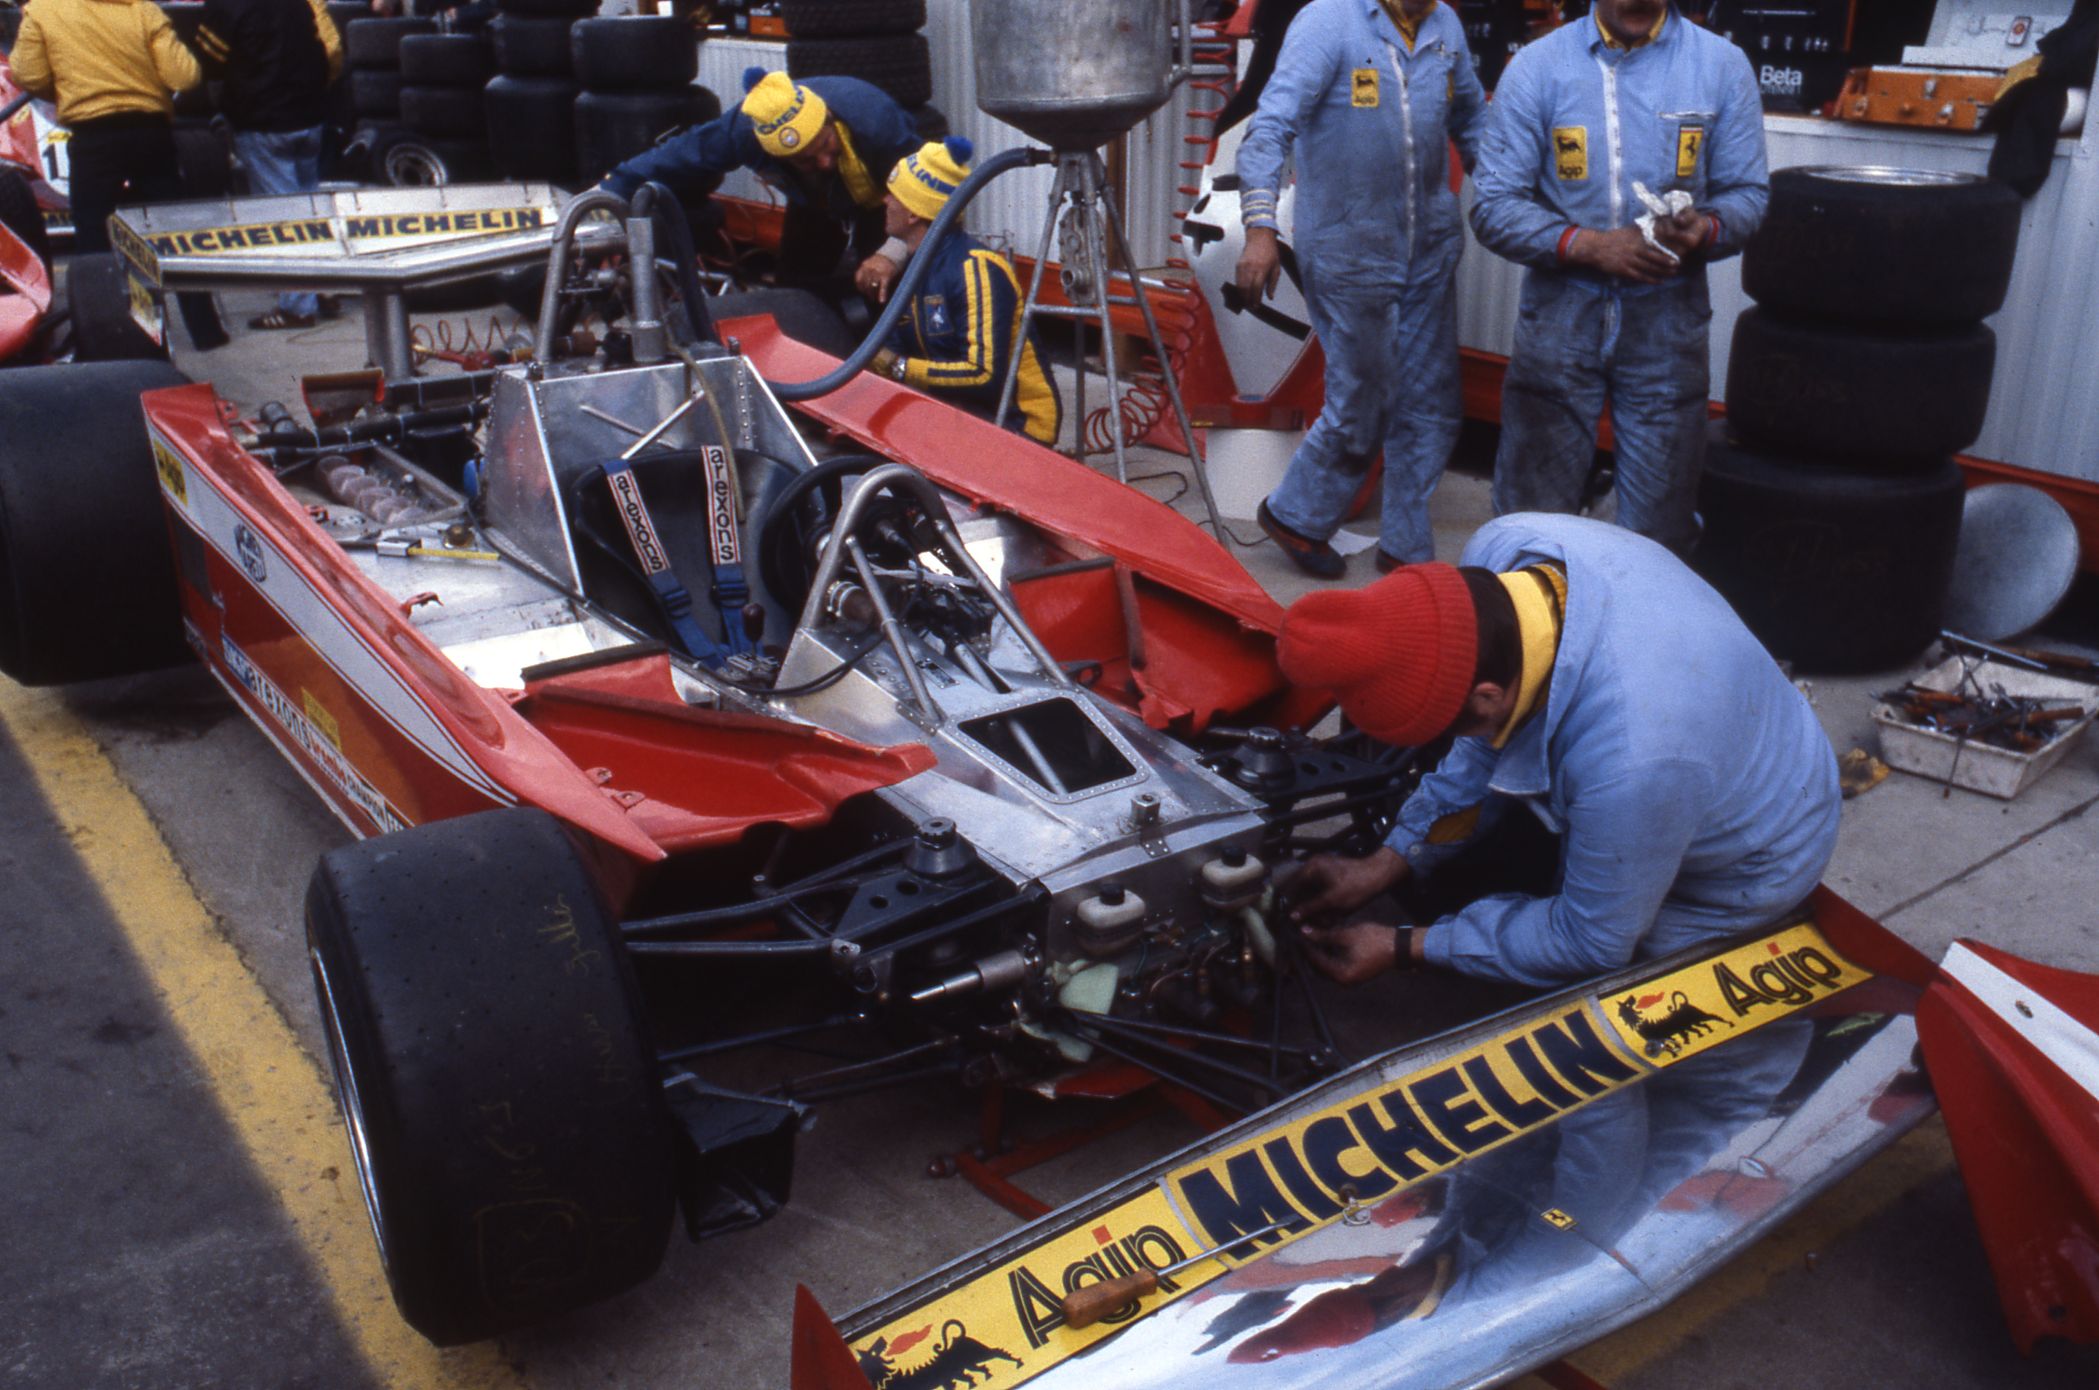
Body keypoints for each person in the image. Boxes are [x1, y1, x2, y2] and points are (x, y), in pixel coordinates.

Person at [1275, 511, 1839, 990]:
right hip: (1705, 739)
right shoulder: (1506, 548)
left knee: (1603, 984)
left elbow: (1592, 942)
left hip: (1750, 861)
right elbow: (1482, 748)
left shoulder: (1633, 759)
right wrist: (1383, 865)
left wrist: (1406, 946)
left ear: (1488, 696)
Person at [1469, 0, 1767, 553]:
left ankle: (1636, 633)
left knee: (1660, 531)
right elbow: (1492, 206)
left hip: (1668, 323)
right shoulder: (1537, 67)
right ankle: (1531, 632)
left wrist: (1704, 230)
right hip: (1560, 318)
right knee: (1530, 520)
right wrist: (1587, 246)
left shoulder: (1721, 66)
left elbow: (1748, 196)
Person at [1233, 0, 1486, 579]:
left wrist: (1501, 189)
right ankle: (1296, 515)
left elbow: (1471, 117)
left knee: (1431, 405)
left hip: (1428, 250)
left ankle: (1405, 545)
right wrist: (1260, 227)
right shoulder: (1329, 22)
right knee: (1363, 401)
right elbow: (1270, 126)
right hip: (1350, 250)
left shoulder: (1443, 25)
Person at [9, 0, 228, 348]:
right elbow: (184, 75)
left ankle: (102, 333)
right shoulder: (143, 10)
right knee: (171, 232)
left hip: (93, 135)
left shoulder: (44, 11)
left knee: (94, 238)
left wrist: (70, 88)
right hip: (150, 132)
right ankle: (206, 332)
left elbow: (29, 75)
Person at [602, 67, 919, 299]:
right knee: (794, 291)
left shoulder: (876, 121)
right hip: (816, 200)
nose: (822, 162)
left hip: (886, 199)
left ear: (830, 120)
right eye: (805, 159)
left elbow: (930, 195)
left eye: (825, 145)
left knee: (886, 289)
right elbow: (679, 156)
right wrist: (606, 194)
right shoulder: (744, 132)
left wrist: (890, 254)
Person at [863, 137, 1060, 445]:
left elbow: (982, 374)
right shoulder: (912, 269)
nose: (885, 201)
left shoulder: (977, 270)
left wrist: (900, 368)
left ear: (914, 213)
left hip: (1018, 427)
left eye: (894, 195)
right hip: (961, 412)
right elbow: (888, 350)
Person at [193, 0, 343, 329]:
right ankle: (326, 287)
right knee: (311, 209)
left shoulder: (229, 6)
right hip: (310, 118)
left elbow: (206, 60)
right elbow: (326, 48)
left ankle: (297, 307)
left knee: (283, 219)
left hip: (265, 123)